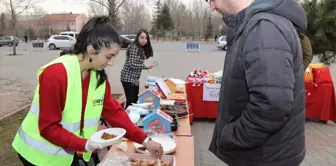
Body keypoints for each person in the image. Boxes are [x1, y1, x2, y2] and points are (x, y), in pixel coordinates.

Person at [12, 16, 163, 166]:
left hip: (68, 152)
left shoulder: (97, 76)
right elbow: (48, 128)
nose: (111, 63)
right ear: (91, 51)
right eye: (109, 56)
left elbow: (114, 113)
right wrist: (85, 144)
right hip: (37, 155)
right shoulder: (56, 74)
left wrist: (145, 141)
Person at [207, 0, 307, 166]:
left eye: (211, 0)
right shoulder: (254, 23)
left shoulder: (264, 27)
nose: (211, 7)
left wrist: (231, 136)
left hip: (263, 157)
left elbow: (273, 106)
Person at [120, 29, 155, 109]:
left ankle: (129, 117)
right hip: (127, 78)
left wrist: (147, 66)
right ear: (137, 38)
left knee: (134, 100)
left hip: (134, 78)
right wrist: (145, 67)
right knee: (131, 102)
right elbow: (131, 64)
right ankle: (126, 119)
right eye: (142, 38)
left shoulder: (141, 48)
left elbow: (138, 62)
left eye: (146, 38)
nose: (144, 40)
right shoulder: (134, 47)